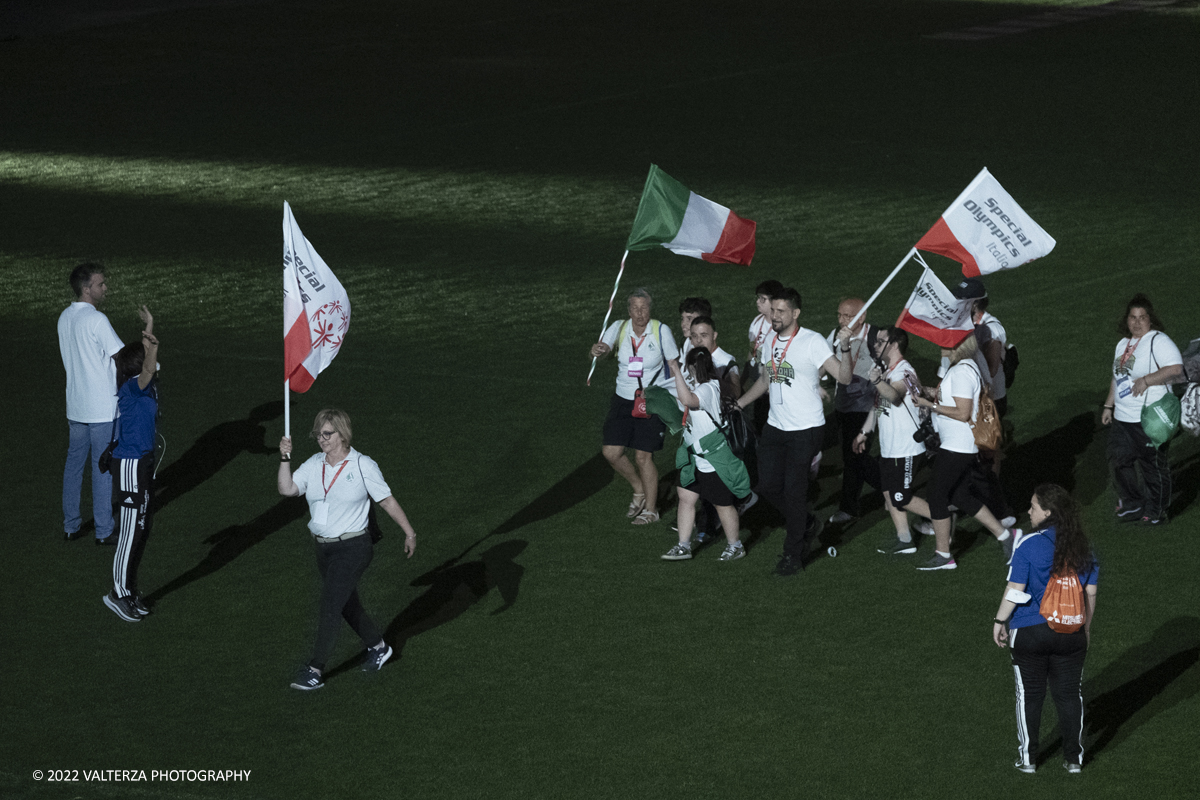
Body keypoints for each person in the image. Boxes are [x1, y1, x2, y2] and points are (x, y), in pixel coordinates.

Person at [278, 409, 417, 691]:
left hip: (353, 547)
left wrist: (409, 532)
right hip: (323, 549)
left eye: (327, 433)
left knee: (331, 605)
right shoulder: (315, 463)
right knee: (346, 604)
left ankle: (315, 670)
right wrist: (284, 458)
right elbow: (287, 489)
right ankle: (379, 648)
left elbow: (387, 501)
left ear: (343, 434)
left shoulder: (362, 465)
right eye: (318, 433)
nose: (321, 439)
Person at [736, 287, 852, 576]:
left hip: (806, 429)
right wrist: (739, 403)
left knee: (794, 492)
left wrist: (846, 348)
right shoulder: (770, 340)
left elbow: (844, 377)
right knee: (768, 487)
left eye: (780, 311)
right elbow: (766, 379)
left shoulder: (812, 342)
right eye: (772, 310)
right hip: (776, 427)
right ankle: (808, 524)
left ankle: (793, 554)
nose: (774, 316)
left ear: (795, 313)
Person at [992, 484, 1098, 774]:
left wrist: (1000, 621)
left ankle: (1028, 759)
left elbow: (1015, 589)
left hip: (1029, 633)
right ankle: (1073, 760)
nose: (1028, 511)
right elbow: (1089, 594)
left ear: (1048, 512)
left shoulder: (1028, 543)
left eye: (1033, 507)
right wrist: (1085, 631)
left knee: (1029, 695)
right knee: (1068, 695)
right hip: (1071, 634)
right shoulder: (1083, 546)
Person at [58, 262, 150, 544]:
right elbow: (122, 359)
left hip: (75, 405)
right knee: (103, 468)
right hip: (100, 407)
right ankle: (103, 530)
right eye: (100, 284)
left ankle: (71, 526)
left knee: (74, 466)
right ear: (86, 289)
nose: (105, 288)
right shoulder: (97, 320)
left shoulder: (64, 317)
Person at [914, 334, 1021, 571]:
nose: (940, 345)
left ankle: (944, 555)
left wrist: (928, 405)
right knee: (959, 496)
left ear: (957, 346)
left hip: (958, 446)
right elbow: (959, 400)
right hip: (959, 445)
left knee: (936, 495)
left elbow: (963, 412)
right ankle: (1005, 536)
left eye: (945, 342)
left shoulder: (962, 371)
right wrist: (931, 392)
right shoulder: (965, 367)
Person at [590, 288, 680, 526]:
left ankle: (651, 510)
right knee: (611, 452)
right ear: (628, 310)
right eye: (635, 308)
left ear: (650, 308)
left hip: (650, 400)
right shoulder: (619, 327)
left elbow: (674, 363)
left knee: (643, 457)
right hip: (622, 399)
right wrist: (597, 351)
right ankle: (638, 488)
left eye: (644, 307)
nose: (640, 313)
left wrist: (681, 396)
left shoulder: (661, 331)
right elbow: (605, 349)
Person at [660, 348, 751, 562]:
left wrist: (674, 369)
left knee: (722, 504)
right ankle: (683, 546)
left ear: (692, 368)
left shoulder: (710, 388)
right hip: (693, 457)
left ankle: (735, 545)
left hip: (712, 460)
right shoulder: (702, 386)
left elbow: (689, 400)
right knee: (685, 498)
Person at [1101, 294, 1183, 526]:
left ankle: (1156, 511)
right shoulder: (1122, 344)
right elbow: (1118, 378)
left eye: (1142, 317)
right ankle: (1133, 503)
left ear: (1151, 319)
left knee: (1153, 467)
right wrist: (1109, 405)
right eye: (1132, 317)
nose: (1137, 323)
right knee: (1118, 460)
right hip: (1122, 418)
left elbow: (1176, 368)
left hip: (1149, 418)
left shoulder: (1158, 340)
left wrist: (1147, 380)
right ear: (1126, 320)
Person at [855, 327, 935, 554]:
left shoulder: (905, 371)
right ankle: (905, 541)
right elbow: (880, 406)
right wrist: (865, 432)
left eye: (880, 342)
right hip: (891, 448)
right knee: (890, 494)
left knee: (902, 497)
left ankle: (944, 518)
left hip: (906, 447)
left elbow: (895, 396)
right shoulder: (888, 371)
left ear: (894, 345)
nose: (876, 346)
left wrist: (878, 381)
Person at [102, 329, 161, 622]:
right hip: (130, 466)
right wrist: (152, 343)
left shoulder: (144, 388)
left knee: (142, 528)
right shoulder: (131, 387)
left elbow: (150, 371)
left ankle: (129, 589)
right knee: (129, 532)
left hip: (142, 464)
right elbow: (149, 369)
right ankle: (117, 594)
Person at [824, 297, 882, 524]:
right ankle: (891, 490)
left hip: (866, 409)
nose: (842, 320)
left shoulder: (876, 337)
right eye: (839, 315)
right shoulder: (835, 337)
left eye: (848, 316)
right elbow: (825, 363)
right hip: (842, 406)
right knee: (853, 458)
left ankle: (891, 492)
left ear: (863, 315)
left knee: (855, 457)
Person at [744, 280, 784, 435]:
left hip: (774, 388)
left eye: (763, 299)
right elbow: (751, 350)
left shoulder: (781, 327)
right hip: (758, 385)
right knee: (760, 424)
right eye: (758, 298)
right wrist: (744, 379)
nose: (758, 302)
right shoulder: (757, 322)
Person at [677, 297, 713, 362]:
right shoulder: (685, 342)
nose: (683, 324)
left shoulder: (707, 352)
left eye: (689, 318)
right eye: (682, 319)